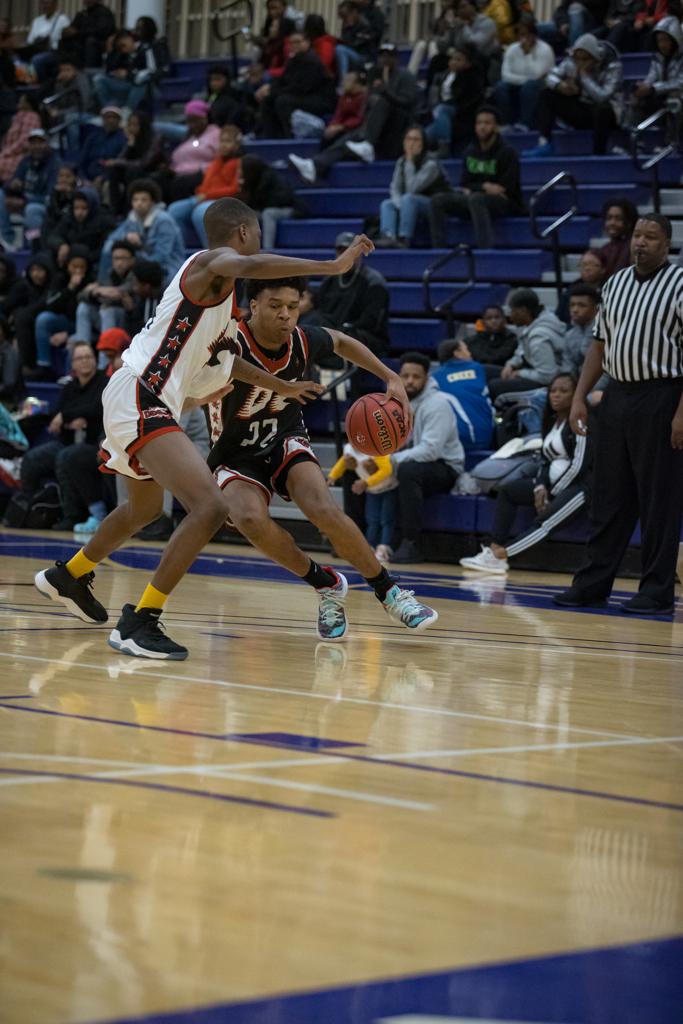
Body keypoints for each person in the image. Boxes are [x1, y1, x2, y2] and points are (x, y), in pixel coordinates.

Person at [34, 197, 376, 660]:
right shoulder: (210, 263)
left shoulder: (220, 306)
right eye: (255, 235)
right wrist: (334, 265)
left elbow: (230, 364)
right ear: (242, 233)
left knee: (143, 510)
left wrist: (279, 384)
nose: (256, 245)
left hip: (141, 398)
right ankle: (141, 620)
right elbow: (254, 263)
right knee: (210, 506)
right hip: (142, 394)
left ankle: (69, 576)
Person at [208, 276, 437, 637]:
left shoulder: (301, 339)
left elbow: (342, 341)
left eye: (293, 306)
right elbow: (228, 364)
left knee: (323, 509)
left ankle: (389, 591)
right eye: (275, 306)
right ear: (252, 305)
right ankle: (325, 583)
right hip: (235, 451)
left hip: (284, 436)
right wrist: (283, 386)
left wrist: (389, 375)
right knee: (249, 519)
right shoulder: (228, 340)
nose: (286, 315)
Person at [554, 213, 683, 616]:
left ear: (667, 243)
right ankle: (592, 584)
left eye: (651, 236)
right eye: (637, 236)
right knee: (608, 496)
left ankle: (657, 590)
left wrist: (681, 413)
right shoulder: (616, 283)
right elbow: (599, 346)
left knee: (659, 499)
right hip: (617, 395)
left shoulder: (679, 284)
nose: (641, 243)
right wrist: (580, 396)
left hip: (663, 395)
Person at [461, 373, 592, 573]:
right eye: (553, 391)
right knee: (508, 490)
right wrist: (540, 486)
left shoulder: (581, 422)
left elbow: (580, 465)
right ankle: (494, 546)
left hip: (579, 489)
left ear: (576, 395)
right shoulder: (551, 422)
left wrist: (553, 491)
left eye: (564, 391)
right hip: (551, 485)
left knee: (545, 522)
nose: (556, 395)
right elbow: (545, 460)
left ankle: (501, 556)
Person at [288, 43, 417, 181]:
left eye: (388, 56)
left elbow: (407, 103)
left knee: (382, 100)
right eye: (381, 56)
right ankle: (314, 165)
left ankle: (368, 143)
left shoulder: (405, 76)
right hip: (375, 131)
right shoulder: (375, 76)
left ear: (396, 59)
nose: (384, 60)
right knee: (345, 141)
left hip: (397, 131)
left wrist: (385, 93)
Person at [19, 341, 107, 529]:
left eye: (88, 357)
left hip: (93, 444)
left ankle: (72, 515)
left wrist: (67, 416)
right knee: (31, 459)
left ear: (95, 360)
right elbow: (55, 416)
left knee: (65, 457)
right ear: (72, 364)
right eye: (80, 358)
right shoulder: (69, 388)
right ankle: (28, 508)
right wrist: (69, 420)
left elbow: (96, 409)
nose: (85, 361)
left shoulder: (104, 383)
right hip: (66, 440)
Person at [391, 351, 465, 563]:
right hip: (414, 459)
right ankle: (366, 539)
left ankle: (410, 543)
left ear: (427, 378)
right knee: (356, 467)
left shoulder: (437, 404)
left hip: (445, 466)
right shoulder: (395, 402)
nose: (410, 381)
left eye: (416, 377)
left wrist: (391, 460)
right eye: (405, 376)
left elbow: (430, 451)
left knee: (408, 470)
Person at [429, 106, 523, 249]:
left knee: (476, 198)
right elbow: (465, 183)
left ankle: (485, 250)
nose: (482, 127)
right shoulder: (470, 151)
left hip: (505, 203)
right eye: (479, 123)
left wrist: (476, 188)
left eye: (487, 123)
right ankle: (438, 248)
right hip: (477, 198)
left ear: (496, 127)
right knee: (438, 200)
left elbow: (505, 189)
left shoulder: (507, 152)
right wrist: (484, 187)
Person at [523, 33, 623, 157]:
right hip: (583, 110)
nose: (580, 63)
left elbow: (603, 96)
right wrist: (560, 86)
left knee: (602, 109)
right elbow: (551, 75)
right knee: (546, 94)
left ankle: (598, 153)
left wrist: (584, 77)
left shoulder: (612, 65)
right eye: (577, 59)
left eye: (585, 59)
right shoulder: (571, 61)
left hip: (608, 115)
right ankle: (544, 143)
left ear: (595, 57)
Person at [300, 229, 390, 361]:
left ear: (359, 253)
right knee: (309, 324)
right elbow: (320, 310)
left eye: (349, 250)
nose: (345, 255)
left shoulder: (373, 282)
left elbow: (372, 323)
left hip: (365, 336)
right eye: (341, 251)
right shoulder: (330, 280)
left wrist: (341, 329)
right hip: (336, 331)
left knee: (334, 335)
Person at [168, 125, 242, 248]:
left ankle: (211, 251)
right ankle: (183, 248)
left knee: (200, 212)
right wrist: (201, 194)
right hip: (205, 197)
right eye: (221, 141)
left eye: (228, 141)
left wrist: (206, 195)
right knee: (174, 210)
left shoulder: (240, 162)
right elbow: (206, 183)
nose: (223, 145)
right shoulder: (216, 161)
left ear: (237, 145)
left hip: (224, 200)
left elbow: (234, 190)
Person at [101, 178, 186, 283]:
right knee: (110, 250)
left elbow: (161, 256)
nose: (139, 204)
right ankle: (103, 283)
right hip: (142, 262)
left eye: (143, 200)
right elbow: (111, 241)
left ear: (152, 202)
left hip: (168, 266)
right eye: (135, 200)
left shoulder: (164, 221)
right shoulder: (132, 218)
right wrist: (126, 237)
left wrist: (135, 263)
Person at [256, 29, 337, 137]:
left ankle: (289, 137)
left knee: (283, 101)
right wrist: (268, 87)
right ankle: (270, 136)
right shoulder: (294, 59)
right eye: (291, 43)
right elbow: (284, 80)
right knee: (268, 99)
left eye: (298, 42)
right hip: (303, 95)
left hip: (320, 99)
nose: (294, 45)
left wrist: (273, 91)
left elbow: (301, 88)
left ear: (307, 42)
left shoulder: (311, 61)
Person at [377, 126, 448, 247]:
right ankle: (388, 237)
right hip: (409, 204)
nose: (412, 143)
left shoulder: (431, 163)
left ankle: (404, 238)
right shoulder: (401, 161)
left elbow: (413, 188)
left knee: (408, 198)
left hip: (434, 204)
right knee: (387, 204)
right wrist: (398, 204)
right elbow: (395, 187)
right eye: (409, 139)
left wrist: (410, 162)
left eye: (416, 140)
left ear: (423, 143)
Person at [489, 288, 565, 400]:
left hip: (551, 384)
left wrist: (520, 373)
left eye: (512, 311)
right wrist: (511, 365)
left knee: (494, 386)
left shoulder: (539, 337)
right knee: (486, 371)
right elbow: (521, 352)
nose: (510, 316)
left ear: (523, 311)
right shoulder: (531, 325)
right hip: (534, 373)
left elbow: (547, 376)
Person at [328, 443, 397, 564]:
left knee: (387, 520)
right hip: (372, 491)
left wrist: (366, 482)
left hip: (388, 488)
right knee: (371, 520)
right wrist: (332, 476)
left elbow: (387, 470)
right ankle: (369, 547)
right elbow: (342, 463)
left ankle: (384, 548)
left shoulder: (375, 448)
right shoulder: (348, 448)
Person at [0, 129, 61, 248]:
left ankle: (34, 247)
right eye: (33, 143)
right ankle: (8, 241)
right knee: (0, 195)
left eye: (40, 142)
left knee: (31, 210)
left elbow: (51, 196)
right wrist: (13, 184)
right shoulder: (26, 161)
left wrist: (25, 201)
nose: (36, 146)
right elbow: (12, 181)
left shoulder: (54, 163)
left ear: (47, 144)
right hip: (24, 200)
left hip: (42, 205)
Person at [492, 15, 555, 129]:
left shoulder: (545, 49)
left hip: (541, 87)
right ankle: (506, 124)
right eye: (521, 35)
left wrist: (528, 54)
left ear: (535, 35)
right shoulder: (512, 49)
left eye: (528, 34)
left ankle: (525, 124)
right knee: (500, 86)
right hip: (519, 85)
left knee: (530, 86)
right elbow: (505, 76)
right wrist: (524, 81)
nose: (524, 38)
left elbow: (537, 75)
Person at [432, 337, 495, 449]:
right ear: (457, 353)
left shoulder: (434, 378)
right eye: (466, 349)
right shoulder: (476, 368)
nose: (470, 353)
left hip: (452, 441)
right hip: (485, 436)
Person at [425, 43, 487, 154]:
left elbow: (468, 102)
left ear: (468, 63)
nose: (453, 62)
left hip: (461, 113)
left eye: (458, 60)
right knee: (423, 135)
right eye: (453, 59)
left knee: (442, 109)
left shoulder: (472, 78)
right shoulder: (443, 75)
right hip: (441, 113)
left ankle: (444, 146)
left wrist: (459, 77)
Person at [630, 18, 683, 144]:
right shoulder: (657, 57)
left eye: (665, 40)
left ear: (675, 39)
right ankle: (636, 143)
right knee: (636, 98)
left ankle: (671, 144)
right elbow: (651, 77)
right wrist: (642, 87)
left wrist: (654, 88)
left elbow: (680, 82)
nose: (662, 44)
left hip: (678, 98)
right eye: (659, 40)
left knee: (674, 101)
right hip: (661, 96)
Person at [103, 111, 167, 216]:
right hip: (135, 169)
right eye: (129, 125)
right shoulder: (133, 139)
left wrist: (119, 162)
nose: (132, 128)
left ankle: (129, 208)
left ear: (143, 125)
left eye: (135, 125)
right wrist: (130, 145)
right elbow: (121, 159)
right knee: (114, 170)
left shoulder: (156, 138)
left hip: (153, 171)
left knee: (132, 170)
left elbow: (145, 163)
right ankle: (115, 209)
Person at [75, 239, 136, 343]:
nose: (119, 262)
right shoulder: (109, 274)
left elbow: (118, 293)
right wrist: (97, 292)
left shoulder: (136, 275)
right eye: (116, 258)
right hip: (106, 320)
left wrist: (97, 291)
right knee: (83, 308)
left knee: (108, 310)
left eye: (123, 258)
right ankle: (83, 348)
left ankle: (106, 356)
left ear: (132, 260)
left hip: (129, 321)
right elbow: (80, 296)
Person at [238, 154, 302, 249]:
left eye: (241, 169)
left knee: (268, 213)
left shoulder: (271, 178)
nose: (239, 172)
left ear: (249, 169)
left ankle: (268, 250)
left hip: (289, 208)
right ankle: (244, 248)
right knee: (246, 214)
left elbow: (284, 199)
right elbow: (251, 204)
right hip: (266, 208)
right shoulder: (252, 180)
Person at [463, 304, 518, 376]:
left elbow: (497, 359)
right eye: (489, 318)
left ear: (504, 320)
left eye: (497, 317)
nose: (494, 321)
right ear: (483, 322)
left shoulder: (512, 339)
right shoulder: (472, 340)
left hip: (502, 374)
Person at [77, 105, 126, 186]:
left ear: (119, 120)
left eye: (114, 117)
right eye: (108, 117)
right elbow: (82, 161)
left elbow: (120, 164)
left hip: (110, 179)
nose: (111, 120)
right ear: (103, 119)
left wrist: (104, 177)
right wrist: (84, 179)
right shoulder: (93, 137)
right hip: (88, 178)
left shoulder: (123, 138)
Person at [23, 0, 70, 83]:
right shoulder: (37, 21)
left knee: (36, 60)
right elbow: (30, 40)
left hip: (54, 52)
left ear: (55, 4)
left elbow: (67, 41)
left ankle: (39, 86)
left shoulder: (62, 19)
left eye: (48, 3)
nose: (45, 6)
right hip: (37, 50)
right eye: (43, 3)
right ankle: (27, 85)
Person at [59, 0, 116, 68]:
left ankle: (88, 70)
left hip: (98, 44)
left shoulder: (104, 12)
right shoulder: (82, 14)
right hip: (81, 42)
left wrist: (78, 32)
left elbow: (101, 31)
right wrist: (67, 31)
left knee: (90, 41)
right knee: (65, 40)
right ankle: (64, 68)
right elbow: (73, 28)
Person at [0, 94, 42, 185]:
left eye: (22, 101)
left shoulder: (32, 116)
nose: (19, 103)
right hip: (8, 152)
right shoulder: (19, 116)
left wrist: (7, 152)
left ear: (28, 104)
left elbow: (25, 141)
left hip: (20, 154)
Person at [555, 248, 606, 324]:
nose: (587, 268)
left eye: (592, 264)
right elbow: (559, 319)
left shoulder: (611, 291)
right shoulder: (569, 292)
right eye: (584, 265)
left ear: (603, 269)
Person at [560, 284, 600, 378]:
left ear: (596, 308)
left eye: (582, 305)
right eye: (572, 305)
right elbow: (568, 368)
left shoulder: (606, 333)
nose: (575, 310)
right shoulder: (569, 335)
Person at [596, 198, 638, 278]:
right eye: (609, 218)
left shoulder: (634, 247)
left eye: (618, 218)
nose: (612, 223)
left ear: (629, 222)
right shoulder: (604, 249)